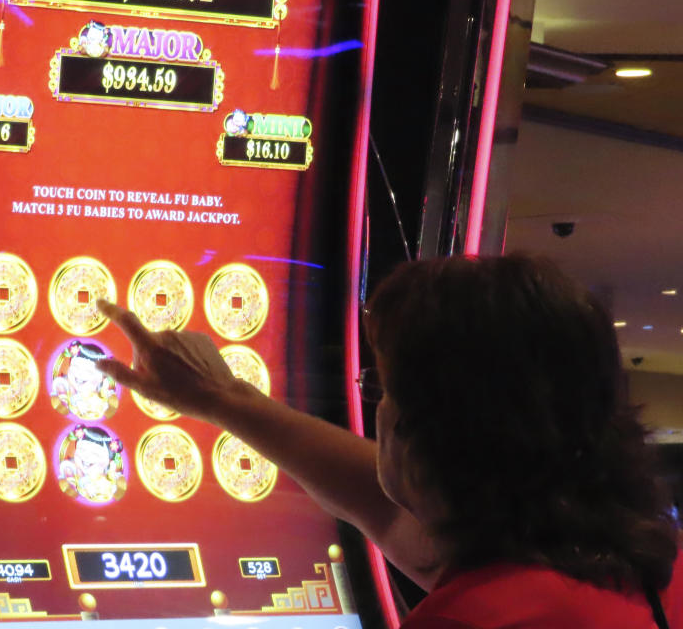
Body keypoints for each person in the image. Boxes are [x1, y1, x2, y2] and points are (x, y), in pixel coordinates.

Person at [95, 254, 682, 628]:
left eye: (387, 388)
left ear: (439, 434)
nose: (382, 412)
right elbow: (385, 509)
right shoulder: (650, 570)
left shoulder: (470, 620)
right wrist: (222, 399)